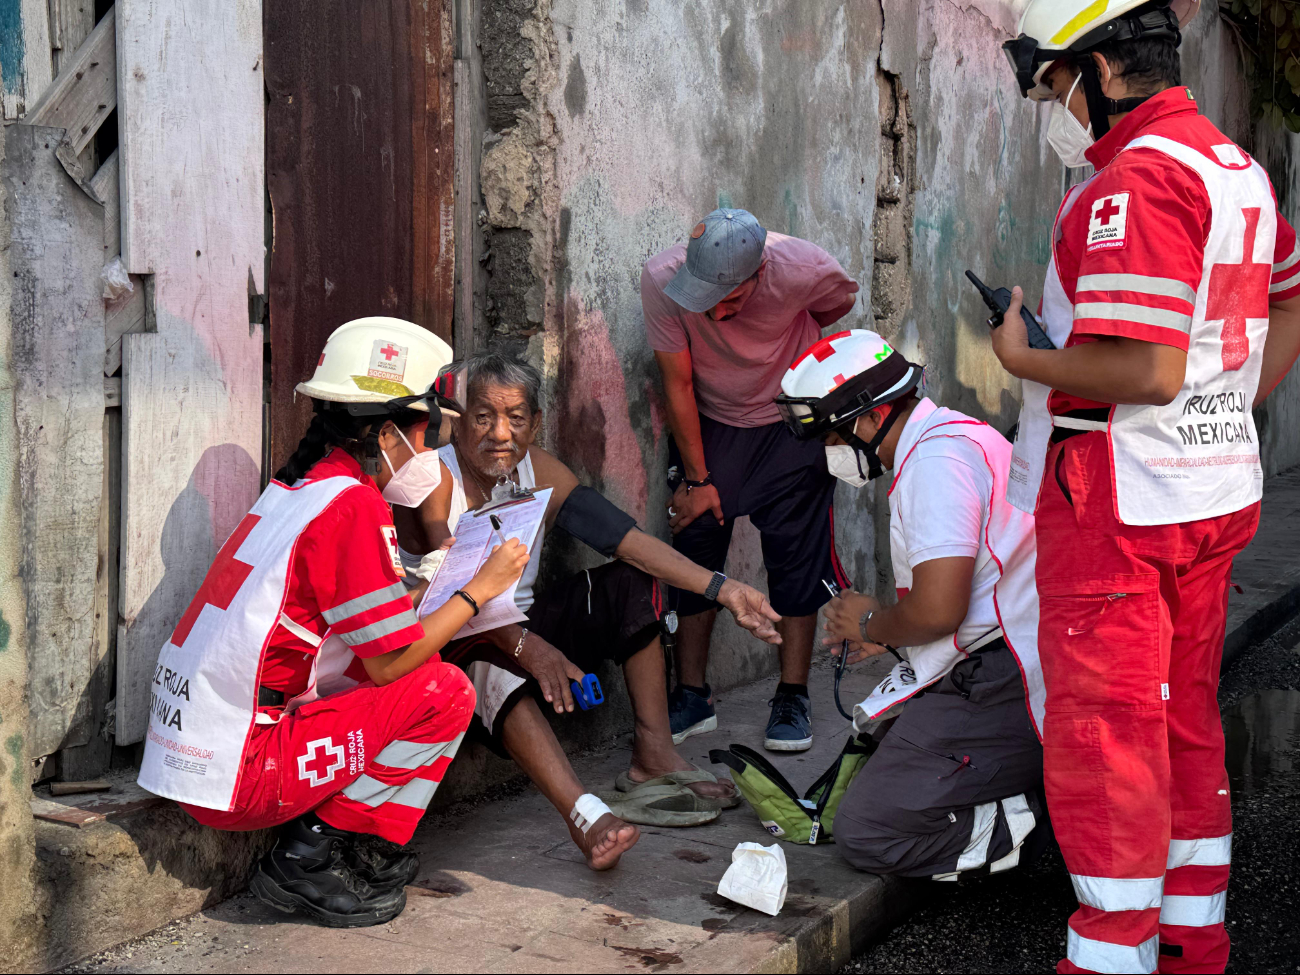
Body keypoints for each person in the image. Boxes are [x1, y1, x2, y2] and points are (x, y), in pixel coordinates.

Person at [997, 2, 1300, 971]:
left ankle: (1110, 949)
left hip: (1123, 503)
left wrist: (1020, 357)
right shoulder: (1233, 169)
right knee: (1182, 715)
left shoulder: (1132, 184)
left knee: (1108, 738)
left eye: (1052, 86)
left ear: (1094, 72)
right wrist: (1233, 400)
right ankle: (1189, 936)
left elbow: (1144, 372)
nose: (1055, 110)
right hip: (1210, 491)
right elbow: (1286, 297)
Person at [137, 318, 529, 928]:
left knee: (407, 668)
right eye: (427, 434)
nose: (429, 453)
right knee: (442, 688)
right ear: (390, 430)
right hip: (240, 772)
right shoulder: (353, 503)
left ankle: (348, 849)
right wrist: (479, 591)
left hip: (196, 749)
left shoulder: (300, 487)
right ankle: (313, 854)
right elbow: (391, 662)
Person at [394, 351, 785, 870]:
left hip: (526, 631)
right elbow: (454, 595)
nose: (500, 433)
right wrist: (526, 647)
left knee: (634, 578)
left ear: (535, 423)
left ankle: (654, 752)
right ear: (460, 421)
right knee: (484, 667)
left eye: (515, 418)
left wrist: (724, 588)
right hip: (455, 643)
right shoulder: (436, 479)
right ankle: (585, 814)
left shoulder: (542, 471)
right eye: (484, 416)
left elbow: (627, 541)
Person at [774, 329, 1047, 879]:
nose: (829, 453)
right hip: (1012, 654)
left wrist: (873, 622)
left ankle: (1043, 821)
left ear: (870, 419)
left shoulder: (935, 464)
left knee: (869, 829)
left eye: (830, 437)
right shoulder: (952, 436)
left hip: (1007, 672)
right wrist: (886, 633)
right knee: (877, 752)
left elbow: (939, 611)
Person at [642, 208, 859, 752]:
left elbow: (839, 302)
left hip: (792, 420)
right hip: (714, 423)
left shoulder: (801, 266)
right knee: (694, 542)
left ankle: (792, 694)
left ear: (761, 273)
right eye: (705, 298)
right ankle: (692, 693)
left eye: (731, 299)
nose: (716, 311)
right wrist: (698, 479)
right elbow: (678, 381)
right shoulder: (661, 281)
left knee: (797, 553)